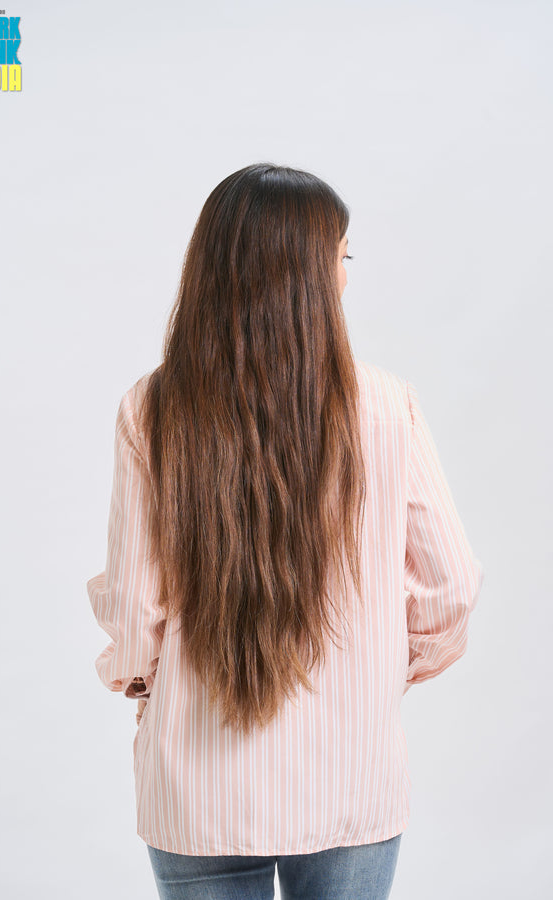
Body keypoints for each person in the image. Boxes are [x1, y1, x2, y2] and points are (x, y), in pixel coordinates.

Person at [86, 162, 484, 900]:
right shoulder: (386, 405)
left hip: (198, 783)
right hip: (352, 781)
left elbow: (138, 605)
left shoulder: (152, 407)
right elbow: (450, 583)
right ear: (304, 273)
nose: (344, 275)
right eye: (341, 257)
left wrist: (140, 683)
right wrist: (379, 669)